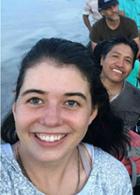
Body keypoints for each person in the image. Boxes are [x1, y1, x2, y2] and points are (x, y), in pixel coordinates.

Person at [0, 38, 132, 194]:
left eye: (71, 103)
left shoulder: (112, 178)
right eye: (35, 100)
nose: (51, 120)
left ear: (91, 113)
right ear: (15, 105)